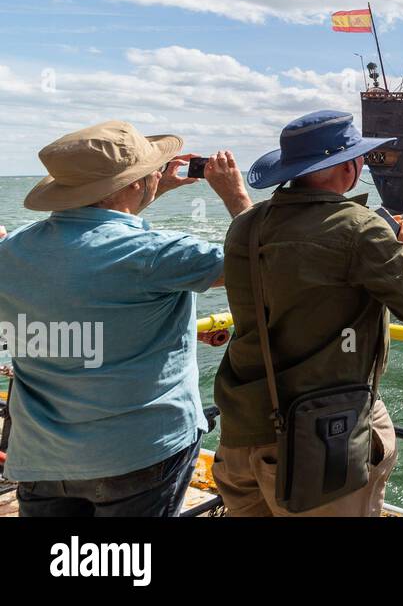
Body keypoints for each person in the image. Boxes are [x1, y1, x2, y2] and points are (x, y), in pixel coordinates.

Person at [0, 120, 252, 516]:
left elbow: (93, 241)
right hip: (138, 452)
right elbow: (263, 262)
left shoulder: (13, 251)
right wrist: (236, 196)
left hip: (41, 455)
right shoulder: (157, 255)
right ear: (135, 184)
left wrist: (147, 189)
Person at [212, 111, 403, 517]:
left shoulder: (245, 225)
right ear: (348, 167)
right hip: (317, 436)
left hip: (240, 432)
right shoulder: (358, 227)